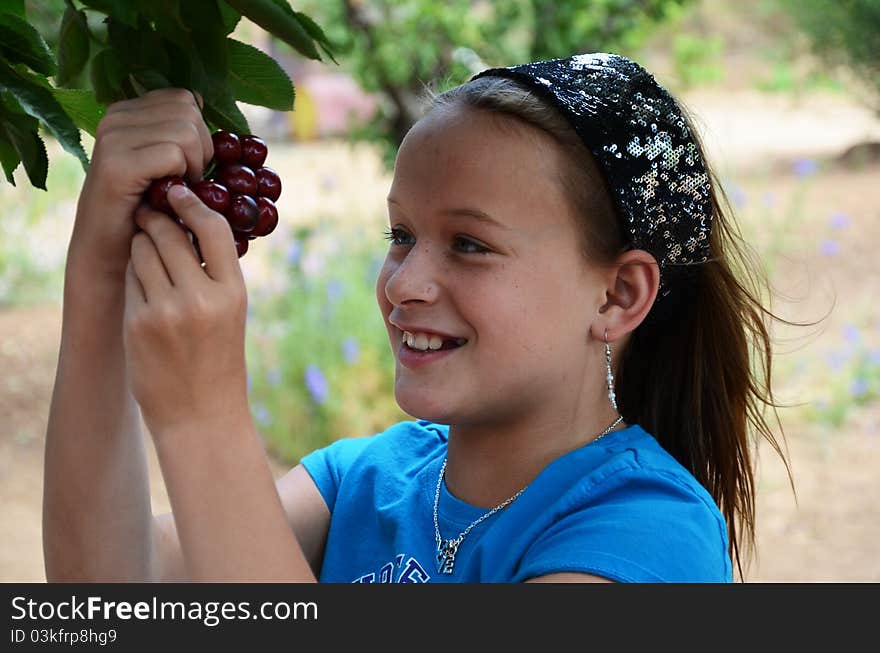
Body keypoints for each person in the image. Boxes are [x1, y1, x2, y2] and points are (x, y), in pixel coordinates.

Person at [43, 52, 792, 583]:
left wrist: (203, 416)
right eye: (400, 234)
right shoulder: (365, 481)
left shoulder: (647, 535)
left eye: (469, 244)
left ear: (618, 295)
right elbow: (110, 586)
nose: (405, 283)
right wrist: (98, 274)